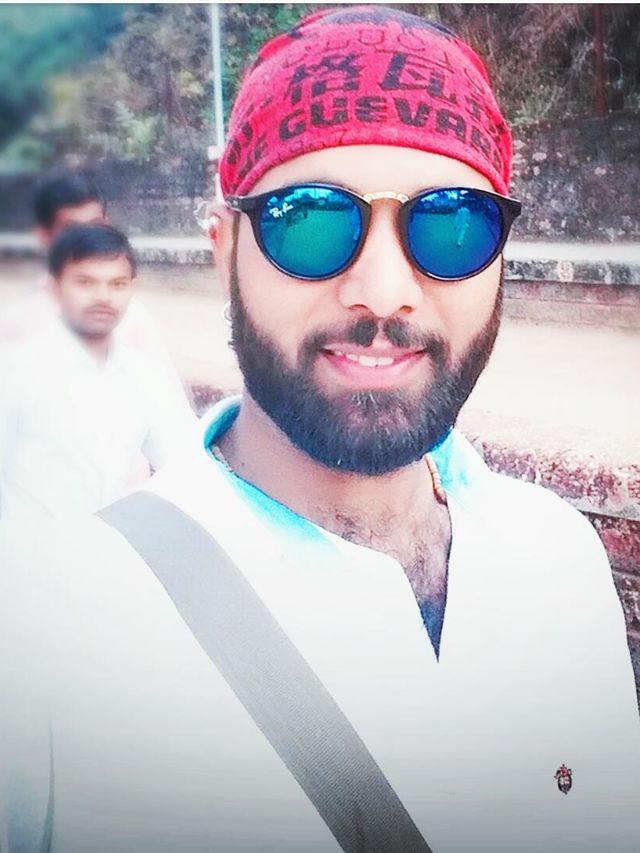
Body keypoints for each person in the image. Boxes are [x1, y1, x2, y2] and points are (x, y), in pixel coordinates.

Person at [1, 8, 638, 852]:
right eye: (311, 219)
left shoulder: (561, 561)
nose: (384, 290)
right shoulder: (54, 628)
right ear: (224, 250)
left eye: (452, 222)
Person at [0, 224, 197, 519]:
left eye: (117, 284)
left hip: (110, 541)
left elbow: (186, 464)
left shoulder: (144, 376)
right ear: (55, 288)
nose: (103, 297)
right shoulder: (16, 372)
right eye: (85, 283)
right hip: (26, 542)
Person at [0, 170, 192, 407]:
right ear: (44, 236)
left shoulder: (130, 316)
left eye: (95, 227)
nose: (86, 241)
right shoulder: (17, 324)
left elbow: (168, 404)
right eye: (71, 230)